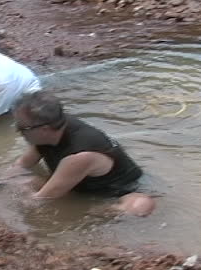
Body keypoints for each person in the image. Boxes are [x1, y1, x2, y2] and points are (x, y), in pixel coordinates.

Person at [10, 91, 156, 217]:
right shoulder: (50, 131)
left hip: (122, 192)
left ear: (44, 129)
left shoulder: (79, 155)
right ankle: (84, 207)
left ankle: (92, 211)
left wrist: (10, 204)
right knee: (26, 180)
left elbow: (42, 199)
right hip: (81, 187)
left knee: (139, 207)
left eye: (21, 127)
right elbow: (21, 165)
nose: (18, 131)